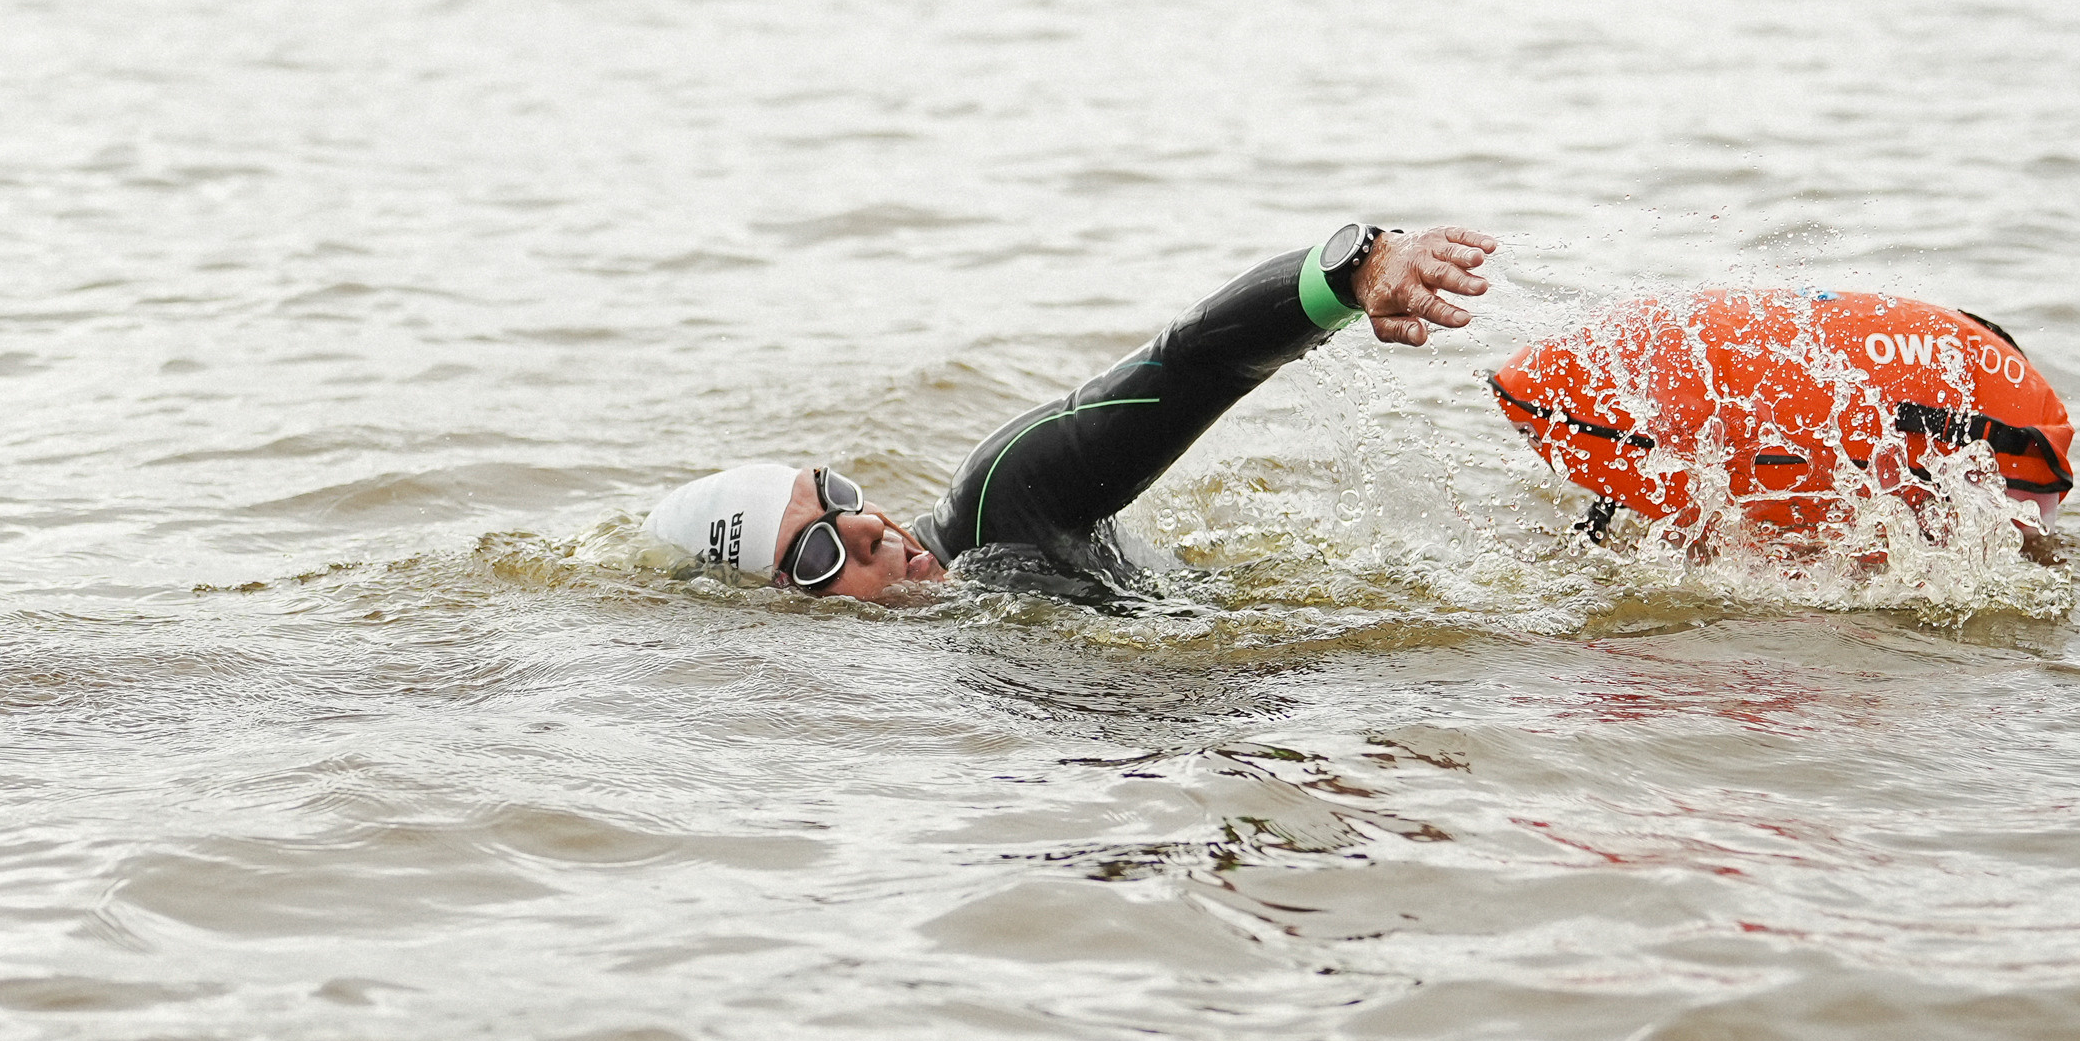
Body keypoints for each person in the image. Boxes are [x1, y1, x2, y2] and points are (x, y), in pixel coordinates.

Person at [640, 224, 1499, 603]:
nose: (866, 529)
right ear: (780, 611)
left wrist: (1352, 273)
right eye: (819, 554)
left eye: (836, 493)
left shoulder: (1001, 503)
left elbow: (1190, 362)